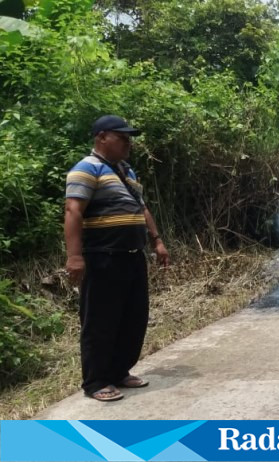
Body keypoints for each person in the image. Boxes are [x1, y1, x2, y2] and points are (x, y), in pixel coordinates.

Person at [64, 115, 170, 402]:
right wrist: (74, 257)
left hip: (133, 257)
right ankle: (96, 381)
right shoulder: (86, 169)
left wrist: (157, 240)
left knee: (133, 318)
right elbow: (73, 211)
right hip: (103, 258)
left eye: (129, 138)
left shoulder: (126, 171)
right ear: (101, 137)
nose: (128, 143)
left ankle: (119, 371)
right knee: (100, 320)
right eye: (122, 137)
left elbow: (141, 207)